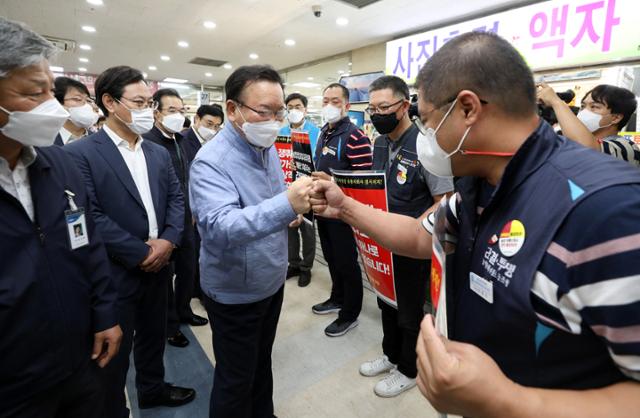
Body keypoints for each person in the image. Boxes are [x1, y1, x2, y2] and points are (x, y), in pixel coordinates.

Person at [311, 31, 640, 417]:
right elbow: (419, 236)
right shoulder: (479, 184)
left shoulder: (607, 211)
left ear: (468, 108)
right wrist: (346, 206)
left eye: (429, 120)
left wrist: (506, 401)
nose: (426, 137)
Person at [0, 17, 121, 417]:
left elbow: (87, 243)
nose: (50, 107)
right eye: (34, 93)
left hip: (80, 359)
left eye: (50, 91)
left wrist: (105, 313)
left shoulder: (60, 165)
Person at [65, 65, 195, 417]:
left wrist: (167, 241)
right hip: (116, 273)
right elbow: (89, 215)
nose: (147, 110)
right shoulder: (82, 154)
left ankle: (152, 389)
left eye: (149, 102)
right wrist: (139, 252)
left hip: (159, 264)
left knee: (153, 338)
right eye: (138, 101)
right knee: (112, 355)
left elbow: (176, 199)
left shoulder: (155, 151)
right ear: (109, 101)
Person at [190, 65, 313, 418]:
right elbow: (219, 228)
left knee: (261, 365)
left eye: (279, 112)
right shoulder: (211, 162)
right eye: (264, 111)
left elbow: (270, 200)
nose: (274, 120)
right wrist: (285, 204)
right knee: (235, 379)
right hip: (235, 293)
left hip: (270, 282)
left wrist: (290, 211)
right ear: (233, 109)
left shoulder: (266, 146)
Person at [358, 75, 453, 398]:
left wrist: (415, 233)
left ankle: (409, 369)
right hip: (381, 241)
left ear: (404, 105)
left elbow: (444, 200)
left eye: (383, 107)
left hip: (413, 244)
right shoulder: (380, 143)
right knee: (385, 301)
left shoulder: (426, 145)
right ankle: (391, 354)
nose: (376, 114)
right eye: (372, 108)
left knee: (409, 309)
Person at [143, 88, 208, 350]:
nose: (178, 115)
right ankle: (169, 326)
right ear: (156, 112)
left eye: (181, 110)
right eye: (172, 110)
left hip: (187, 220)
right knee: (165, 277)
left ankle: (184, 311)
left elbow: (189, 181)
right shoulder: (148, 143)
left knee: (188, 270)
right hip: (164, 225)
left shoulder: (182, 141)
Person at [311, 82, 372, 337]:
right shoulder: (325, 131)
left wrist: (333, 182)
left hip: (344, 213)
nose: (329, 106)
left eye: (335, 101)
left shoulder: (356, 137)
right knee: (332, 259)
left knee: (347, 263)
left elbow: (365, 182)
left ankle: (350, 313)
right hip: (323, 210)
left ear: (347, 105)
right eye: (325, 101)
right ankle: (337, 298)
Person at [537, 82, 639, 166]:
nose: (584, 112)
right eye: (582, 106)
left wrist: (556, 102)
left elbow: (587, 150)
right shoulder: (567, 142)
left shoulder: (627, 147)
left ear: (615, 118)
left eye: (594, 107)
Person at [279, 92, 320, 287]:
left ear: (305, 109)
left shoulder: (315, 132)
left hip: (309, 188)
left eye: (298, 107)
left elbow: (318, 161)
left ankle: (306, 267)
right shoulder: (282, 132)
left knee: (307, 229)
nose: (294, 111)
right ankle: (293, 263)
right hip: (287, 188)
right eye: (290, 107)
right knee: (290, 228)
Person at [53, 76, 99, 145]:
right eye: (77, 99)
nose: (86, 105)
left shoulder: (98, 140)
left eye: (88, 100)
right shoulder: (44, 141)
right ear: (58, 103)